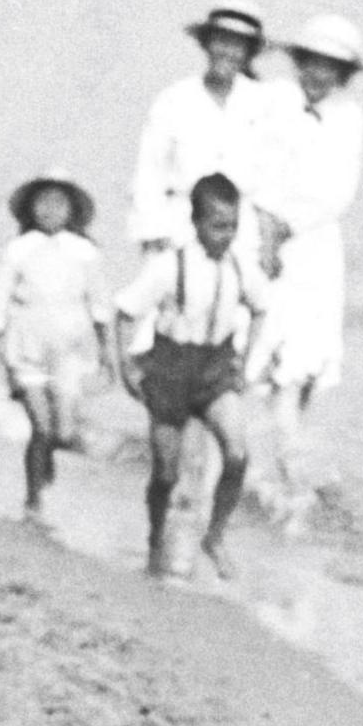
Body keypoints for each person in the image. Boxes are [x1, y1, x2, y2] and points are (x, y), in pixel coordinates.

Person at [114, 174, 268, 579]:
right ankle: (154, 535)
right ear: (196, 222)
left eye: (232, 225)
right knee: (167, 471)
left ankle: (214, 535)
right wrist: (126, 365)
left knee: (237, 453)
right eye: (218, 225)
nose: (226, 235)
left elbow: (261, 308)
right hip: (170, 370)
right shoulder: (169, 266)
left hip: (216, 370)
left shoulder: (240, 267)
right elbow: (125, 312)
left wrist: (246, 362)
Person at [254, 15, 363, 519]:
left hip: (315, 248)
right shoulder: (274, 99)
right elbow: (255, 165)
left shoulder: (350, 117)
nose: (318, 75)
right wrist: (264, 223)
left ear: (343, 72)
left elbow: (337, 192)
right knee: (263, 357)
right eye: (311, 63)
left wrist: (287, 223)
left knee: (304, 364)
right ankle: (269, 474)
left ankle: (293, 477)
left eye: (331, 67)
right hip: (262, 238)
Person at [0, 172, 109, 519]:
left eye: (59, 202)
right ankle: (33, 499)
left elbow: (100, 306)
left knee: (63, 431)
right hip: (26, 349)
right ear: (30, 208)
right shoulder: (19, 250)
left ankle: (47, 455)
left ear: (72, 210)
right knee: (40, 426)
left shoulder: (85, 252)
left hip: (69, 353)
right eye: (43, 202)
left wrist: (107, 357)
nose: (50, 210)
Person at [128, 0, 289, 259]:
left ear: (249, 53)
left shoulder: (264, 104)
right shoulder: (174, 100)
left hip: (242, 236)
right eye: (221, 41)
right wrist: (152, 237)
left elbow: (272, 179)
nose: (227, 52)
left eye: (238, 45)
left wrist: (269, 245)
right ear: (206, 43)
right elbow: (149, 173)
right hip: (181, 231)